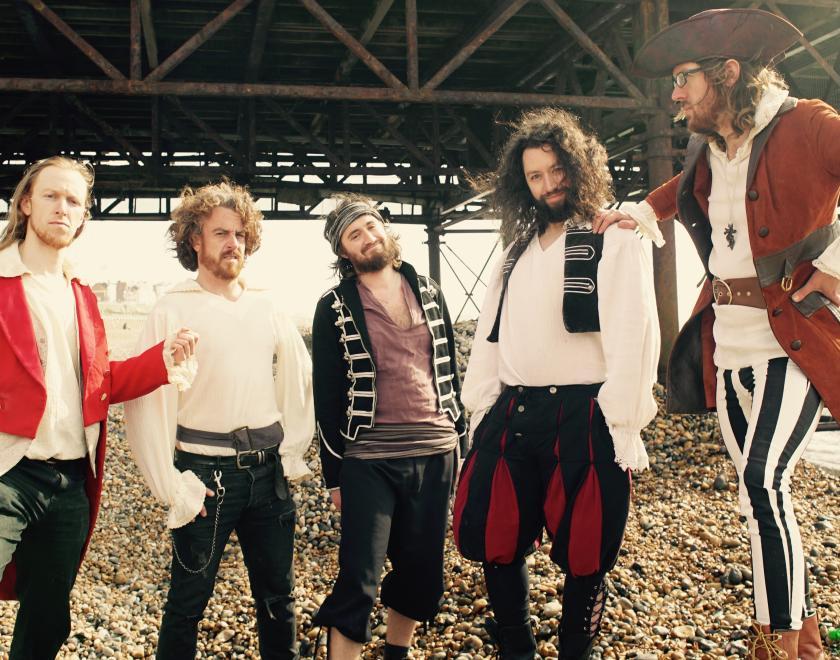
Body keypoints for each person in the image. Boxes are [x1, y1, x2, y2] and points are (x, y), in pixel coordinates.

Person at [594, 8, 838, 658]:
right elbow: (686, 187)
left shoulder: (810, 123)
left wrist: (835, 270)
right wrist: (639, 212)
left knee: (763, 481)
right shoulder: (711, 146)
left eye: (684, 80)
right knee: (758, 496)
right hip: (726, 343)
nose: (674, 95)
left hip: (792, 342)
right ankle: (804, 635)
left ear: (727, 73)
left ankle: (775, 639)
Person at [453, 108, 659, 659]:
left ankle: (575, 653)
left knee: (586, 548)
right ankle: (515, 647)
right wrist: (481, 408)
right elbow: (490, 336)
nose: (549, 184)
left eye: (557, 169)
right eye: (535, 176)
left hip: (583, 409)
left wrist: (623, 421)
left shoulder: (611, 237)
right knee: (495, 537)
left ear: (578, 164)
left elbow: (633, 330)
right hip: (514, 409)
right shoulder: (515, 249)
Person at [0, 155, 197, 659]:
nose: (62, 208)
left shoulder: (82, 295)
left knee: (46, 623)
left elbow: (97, 385)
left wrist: (161, 360)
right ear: (26, 204)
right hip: (7, 471)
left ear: (83, 216)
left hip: (69, 482)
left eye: (73, 201)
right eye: (51, 195)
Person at [124, 180, 314, 659]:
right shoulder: (172, 307)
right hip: (205, 476)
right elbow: (145, 401)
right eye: (221, 233)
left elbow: (300, 378)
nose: (234, 243)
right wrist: (170, 483)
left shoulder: (266, 304)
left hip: (268, 474)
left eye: (240, 234)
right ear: (195, 239)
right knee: (187, 604)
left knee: (278, 600)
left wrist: (292, 453)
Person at [310, 194, 468, 659]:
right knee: (359, 577)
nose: (367, 238)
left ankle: (397, 653)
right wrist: (334, 477)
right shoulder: (334, 306)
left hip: (436, 451)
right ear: (343, 252)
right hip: (369, 459)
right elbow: (327, 396)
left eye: (370, 227)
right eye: (353, 235)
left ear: (385, 228)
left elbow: (448, 369)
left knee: (422, 572)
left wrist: (461, 440)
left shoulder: (429, 290)